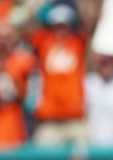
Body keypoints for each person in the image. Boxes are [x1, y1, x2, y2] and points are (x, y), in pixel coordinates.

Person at [31, 4, 88, 146]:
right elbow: (30, 26)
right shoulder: (44, 43)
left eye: (65, 26)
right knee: (43, 159)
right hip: (50, 116)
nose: (61, 30)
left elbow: (90, 23)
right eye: (57, 26)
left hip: (75, 116)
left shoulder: (78, 43)